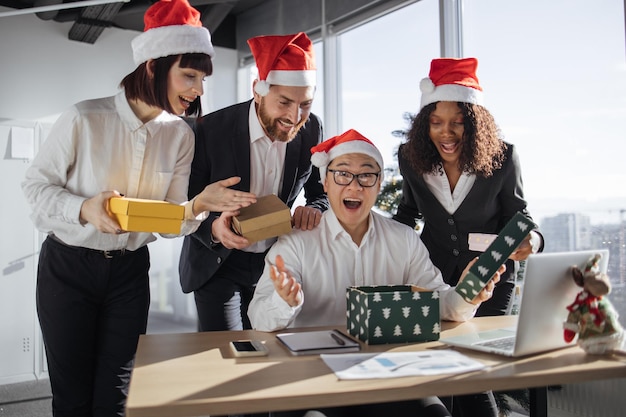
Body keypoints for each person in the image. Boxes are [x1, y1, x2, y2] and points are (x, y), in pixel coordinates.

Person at [20, 1, 256, 415]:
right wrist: (84, 208)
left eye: (202, 79)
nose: (198, 90)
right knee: (72, 395)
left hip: (129, 274)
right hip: (68, 268)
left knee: (116, 393)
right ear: (152, 66)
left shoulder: (181, 137)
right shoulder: (84, 118)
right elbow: (35, 188)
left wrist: (197, 205)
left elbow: (169, 222)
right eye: (189, 75)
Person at [248, 129, 503, 417]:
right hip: (312, 381)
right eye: (342, 174)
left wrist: (468, 294)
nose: (354, 186)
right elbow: (258, 318)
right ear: (325, 181)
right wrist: (286, 301)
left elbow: (439, 303)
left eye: (366, 176)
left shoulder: (403, 239)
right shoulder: (296, 242)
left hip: (387, 378)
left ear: (379, 183)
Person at [392, 57, 544, 417]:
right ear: (424, 125)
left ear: (474, 124)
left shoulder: (504, 158)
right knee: (438, 361)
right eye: (436, 123)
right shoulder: (410, 158)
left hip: (489, 276)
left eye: (458, 123)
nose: (447, 133)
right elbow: (407, 214)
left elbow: (520, 216)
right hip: (433, 274)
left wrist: (533, 242)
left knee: (474, 366)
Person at [178, 32, 329, 332]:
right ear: (258, 91)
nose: (295, 116)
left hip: (276, 262)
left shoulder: (311, 129)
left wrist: (315, 208)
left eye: (305, 104)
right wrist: (215, 229)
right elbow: (188, 204)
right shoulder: (209, 131)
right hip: (218, 262)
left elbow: (319, 193)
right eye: (284, 102)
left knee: (270, 350)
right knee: (226, 353)